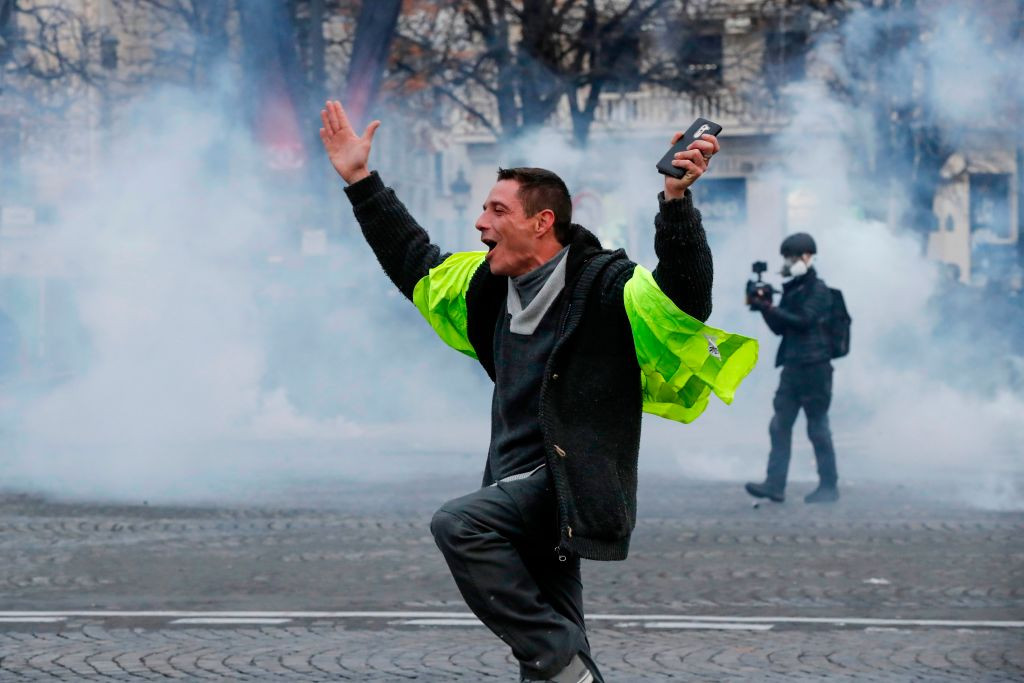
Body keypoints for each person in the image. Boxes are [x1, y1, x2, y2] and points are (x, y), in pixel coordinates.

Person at [318, 100, 756, 682]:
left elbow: (684, 303)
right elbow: (414, 261)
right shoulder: (484, 286)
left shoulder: (605, 285)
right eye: (483, 210)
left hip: (565, 486)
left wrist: (676, 200)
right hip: (514, 484)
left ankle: (553, 655)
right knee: (562, 658)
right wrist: (359, 180)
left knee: (462, 528)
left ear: (541, 222)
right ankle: (561, 662)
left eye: (497, 210)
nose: (481, 223)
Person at [746, 232, 839, 504]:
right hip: (792, 368)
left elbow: (804, 320)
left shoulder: (819, 290)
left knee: (817, 428)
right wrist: (763, 307)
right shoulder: (792, 288)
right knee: (779, 426)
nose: (787, 262)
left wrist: (770, 307)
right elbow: (780, 328)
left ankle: (829, 485)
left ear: (807, 257)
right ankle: (775, 485)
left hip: (815, 368)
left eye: (792, 257)